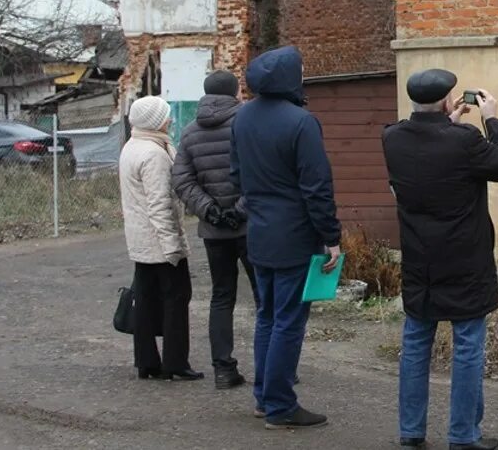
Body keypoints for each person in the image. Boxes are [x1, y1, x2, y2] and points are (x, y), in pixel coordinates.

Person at [382, 69, 498, 450]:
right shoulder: (465, 141)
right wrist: (490, 117)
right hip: (465, 260)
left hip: (419, 261)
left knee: (415, 345)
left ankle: (411, 432)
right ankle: (462, 435)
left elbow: (428, 146)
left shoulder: (392, 138)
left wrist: (449, 123)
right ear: (448, 101)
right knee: (467, 348)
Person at [230, 46, 342, 430]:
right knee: (288, 322)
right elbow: (317, 185)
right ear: (290, 77)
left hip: (259, 232)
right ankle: (279, 405)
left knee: (267, 316)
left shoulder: (242, 117)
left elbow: (236, 176)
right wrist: (331, 236)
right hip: (294, 235)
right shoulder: (301, 122)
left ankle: (264, 397)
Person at [172, 70, 258, 390]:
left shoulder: (191, 132)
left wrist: (210, 211)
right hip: (250, 227)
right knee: (265, 297)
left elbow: (182, 180)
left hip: (214, 231)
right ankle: (272, 368)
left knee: (222, 298)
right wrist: (240, 211)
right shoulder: (247, 124)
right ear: (235, 92)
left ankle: (223, 369)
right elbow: (259, 171)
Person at [119, 95, 203, 382]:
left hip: (140, 239)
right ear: (156, 122)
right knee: (176, 298)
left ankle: (146, 361)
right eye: (166, 116)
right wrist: (172, 245)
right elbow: (160, 203)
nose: (171, 120)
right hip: (158, 240)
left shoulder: (132, 146)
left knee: (144, 299)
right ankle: (175, 361)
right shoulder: (154, 153)